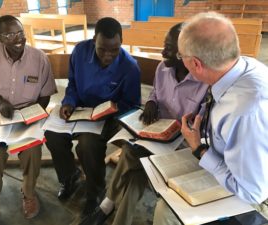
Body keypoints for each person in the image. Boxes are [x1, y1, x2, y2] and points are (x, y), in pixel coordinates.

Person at [79, 23, 209, 225]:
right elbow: (156, 93)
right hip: (156, 132)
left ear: (187, 54)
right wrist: (150, 102)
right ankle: (118, 220)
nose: (163, 51)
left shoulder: (204, 82)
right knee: (137, 167)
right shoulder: (163, 69)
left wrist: (180, 131)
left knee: (132, 157)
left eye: (169, 48)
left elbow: (200, 127)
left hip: (181, 145)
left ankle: (106, 205)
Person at [154, 11, 268, 224]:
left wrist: (199, 149)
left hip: (251, 197)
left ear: (196, 64)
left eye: (181, 58)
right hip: (232, 161)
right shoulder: (240, 67)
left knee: (166, 213)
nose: (181, 62)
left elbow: (252, 192)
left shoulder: (245, 112)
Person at [44, 17, 141, 217]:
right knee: (52, 134)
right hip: (79, 110)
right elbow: (72, 84)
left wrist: (111, 109)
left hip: (107, 118)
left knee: (87, 144)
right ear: (93, 39)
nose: (107, 56)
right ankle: (69, 177)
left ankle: (95, 192)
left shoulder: (129, 67)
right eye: (102, 49)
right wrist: (69, 102)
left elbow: (131, 104)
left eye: (114, 50)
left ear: (121, 42)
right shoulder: (80, 52)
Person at [0, 15, 57, 225]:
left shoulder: (39, 58)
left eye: (20, 32)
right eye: (10, 34)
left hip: (28, 111)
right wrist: (2, 103)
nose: (18, 39)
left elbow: (46, 94)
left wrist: (34, 116)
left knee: (32, 149)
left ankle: (29, 193)